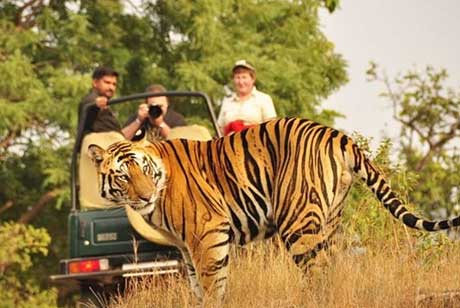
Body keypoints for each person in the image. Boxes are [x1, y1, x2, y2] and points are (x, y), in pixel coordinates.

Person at [78, 66, 143, 139]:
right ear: (95, 83)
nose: (111, 87)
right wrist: (96, 104)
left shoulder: (106, 106)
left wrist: (139, 120)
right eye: (107, 82)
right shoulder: (90, 101)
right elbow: (89, 106)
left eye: (114, 84)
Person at [217, 60, 277, 135]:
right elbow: (219, 130)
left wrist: (246, 129)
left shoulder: (264, 99)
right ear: (233, 80)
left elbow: (272, 129)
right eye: (238, 78)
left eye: (244, 77)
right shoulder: (227, 101)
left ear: (252, 79)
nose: (241, 82)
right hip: (228, 144)